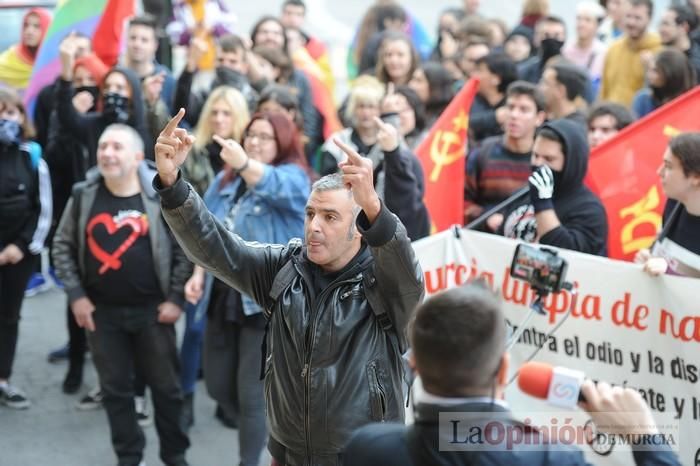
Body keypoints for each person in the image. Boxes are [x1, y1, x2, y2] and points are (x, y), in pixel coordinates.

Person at [153, 108, 425, 466]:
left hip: (363, 456)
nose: (314, 226)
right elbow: (217, 249)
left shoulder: (384, 283)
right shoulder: (284, 267)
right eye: (311, 214)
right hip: (289, 451)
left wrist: (373, 206)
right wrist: (172, 185)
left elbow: (408, 278)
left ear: (358, 227)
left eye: (330, 218)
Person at [343, 282, 682, 466]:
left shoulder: (367, 448)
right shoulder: (552, 458)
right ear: (504, 370)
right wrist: (643, 436)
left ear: (413, 364)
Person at [52, 124, 191, 466]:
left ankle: (175, 456)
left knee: (167, 391)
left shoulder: (160, 196)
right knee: (116, 393)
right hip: (102, 313)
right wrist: (76, 295)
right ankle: (129, 457)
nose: (107, 154)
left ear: (137, 157)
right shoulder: (84, 194)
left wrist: (175, 297)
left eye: (116, 147)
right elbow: (62, 246)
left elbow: (184, 248)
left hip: (153, 312)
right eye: (103, 147)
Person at [183, 112, 311, 463]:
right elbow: (204, 227)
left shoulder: (293, 177)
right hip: (222, 294)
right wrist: (198, 274)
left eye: (264, 137)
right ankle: (272, 429)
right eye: (251, 135)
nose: (254, 142)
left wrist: (243, 163)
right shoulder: (226, 181)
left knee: (251, 397)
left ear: (282, 143)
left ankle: (249, 460)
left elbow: (272, 184)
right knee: (218, 387)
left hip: (265, 301)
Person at [320, 77, 430, 240]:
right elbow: (324, 183)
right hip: (344, 222)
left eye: (371, 106)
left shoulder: (392, 141)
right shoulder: (338, 141)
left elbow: (403, 180)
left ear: (380, 110)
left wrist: (391, 133)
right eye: (361, 106)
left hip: (384, 222)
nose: (366, 112)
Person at [0, 88, 51, 409]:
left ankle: (3, 378)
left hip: (17, 256)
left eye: (11, 112)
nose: (5, 119)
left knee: (7, 317)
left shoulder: (32, 157)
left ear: (22, 117)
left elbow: (43, 210)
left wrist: (20, 247)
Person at [497, 119, 608, 256]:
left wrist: (543, 205)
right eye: (535, 156)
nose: (538, 164)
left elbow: (566, 254)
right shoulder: (521, 195)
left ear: (570, 163)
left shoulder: (590, 210)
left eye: (548, 159)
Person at [465, 81, 546, 224]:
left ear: (539, 118)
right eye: (510, 107)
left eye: (524, 110)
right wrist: (486, 218)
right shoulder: (483, 151)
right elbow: (461, 199)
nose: (514, 115)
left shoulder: (545, 160)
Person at [635, 133, 700, 278]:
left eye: (668, 166)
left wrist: (669, 272)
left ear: (696, 177)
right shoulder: (674, 204)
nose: (660, 172)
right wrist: (649, 257)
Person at [174, 33, 258, 126]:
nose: (225, 65)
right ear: (214, 62)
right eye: (221, 60)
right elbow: (183, 110)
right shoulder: (205, 95)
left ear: (244, 67)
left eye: (232, 61)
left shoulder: (252, 99)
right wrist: (190, 67)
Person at [180, 86, 250, 195]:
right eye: (214, 112)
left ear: (239, 116)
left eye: (226, 113)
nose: (218, 119)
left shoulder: (249, 152)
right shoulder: (193, 148)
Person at [599, 0, 662, 107]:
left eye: (638, 18)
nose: (631, 23)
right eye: (628, 16)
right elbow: (604, 91)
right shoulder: (613, 49)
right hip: (611, 118)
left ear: (649, 19)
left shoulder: (659, 51)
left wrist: (651, 68)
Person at [124, 15, 176, 113]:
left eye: (144, 40)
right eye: (133, 38)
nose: (137, 44)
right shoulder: (117, 77)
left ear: (155, 45)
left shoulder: (166, 79)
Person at [469, 52, 519, 144]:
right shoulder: (470, 100)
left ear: (496, 79)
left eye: (479, 71)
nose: (473, 75)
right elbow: (462, 125)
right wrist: (494, 118)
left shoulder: (516, 104)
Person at [632, 48, 696, 118]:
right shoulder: (644, 100)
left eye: (656, 71)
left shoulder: (693, 101)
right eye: (649, 70)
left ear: (671, 74)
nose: (649, 75)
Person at [0, 8, 51, 92]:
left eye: (36, 26)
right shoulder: (9, 58)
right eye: (26, 25)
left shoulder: (54, 61)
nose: (29, 31)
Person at [562, 1, 607, 90]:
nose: (581, 24)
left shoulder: (603, 53)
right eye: (579, 19)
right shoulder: (565, 49)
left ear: (597, 25)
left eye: (587, 20)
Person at [519, 15, 568, 84]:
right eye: (546, 35)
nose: (551, 39)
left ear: (564, 38)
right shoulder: (524, 72)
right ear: (536, 38)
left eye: (557, 35)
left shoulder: (574, 74)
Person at [538, 62, 589, 127]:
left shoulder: (574, 127)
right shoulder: (548, 120)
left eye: (545, 83)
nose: (539, 87)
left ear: (560, 91)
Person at [408, 62, 455, 128]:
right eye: (412, 79)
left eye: (419, 81)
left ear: (435, 87)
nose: (411, 85)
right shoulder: (411, 112)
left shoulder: (449, 120)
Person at [658, 5, 700, 77]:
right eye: (661, 24)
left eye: (666, 24)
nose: (661, 29)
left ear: (684, 27)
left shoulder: (694, 66)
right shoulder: (663, 55)